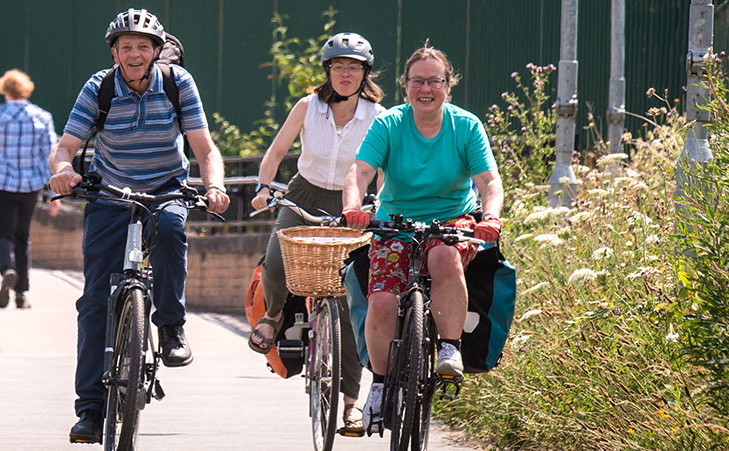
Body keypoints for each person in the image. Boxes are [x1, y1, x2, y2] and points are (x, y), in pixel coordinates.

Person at [46, 8, 231, 444]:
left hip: (166, 187)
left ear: (155, 52)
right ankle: (90, 409)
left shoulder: (177, 83)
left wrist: (215, 185)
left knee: (170, 231)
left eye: (142, 47)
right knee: (94, 301)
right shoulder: (99, 87)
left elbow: (204, 149)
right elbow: (66, 146)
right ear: (114, 51)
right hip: (110, 193)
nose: (134, 54)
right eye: (125, 46)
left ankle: (170, 326)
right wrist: (63, 170)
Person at [341, 45, 504, 433]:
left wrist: (491, 216)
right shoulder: (390, 125)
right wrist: (354, 208)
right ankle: (379, 385)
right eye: (417, 81)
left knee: (444, 259)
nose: (425, 88)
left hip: (451, 218)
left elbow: (488, 182)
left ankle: (449, 349)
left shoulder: (465, 126)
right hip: (394, 222)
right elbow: (359, 173)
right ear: (406, 86)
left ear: (448, 85)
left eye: (434, 81)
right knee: (381, 300)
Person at [246, 32, 386, 432]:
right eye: (339, 67)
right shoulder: (308, 106)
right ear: (328, 71)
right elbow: (275, 152)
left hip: (352, 204)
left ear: (365, 74)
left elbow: (386, 168)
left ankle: (350, 403)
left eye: (354, 68)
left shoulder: (380, 115)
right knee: (276, 262)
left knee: (347, 299)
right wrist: (263, 188)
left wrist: (381, 202)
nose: (346, 74)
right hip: (304, 193)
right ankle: (272, 316)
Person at [0, 69, 58, 310]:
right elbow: (50, 155)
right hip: (31, 187)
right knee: (23, 238)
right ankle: (21, 295)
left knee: (4, 234)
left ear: (5, 90)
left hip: (2, 184)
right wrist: (54, 194)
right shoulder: (42, 117)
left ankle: (6, 270)